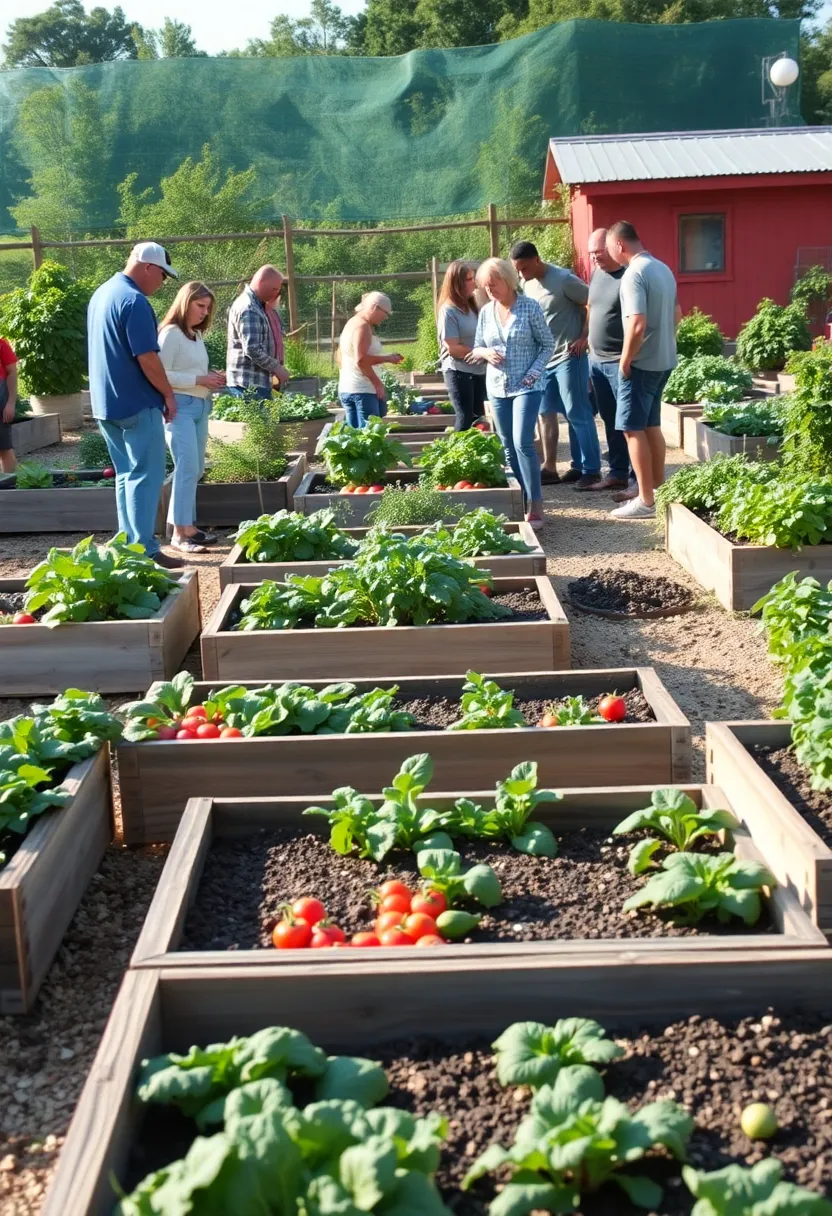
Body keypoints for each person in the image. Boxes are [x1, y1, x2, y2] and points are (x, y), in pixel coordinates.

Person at [87, 241, 183, 569]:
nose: (163, 282)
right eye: (163, 275)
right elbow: (147, 357)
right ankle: (146, 551)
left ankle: (129, 547)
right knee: (146, 475)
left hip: (106, 405)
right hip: (137, 403)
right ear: (147, 267)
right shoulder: (134, 301)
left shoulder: (102, 294)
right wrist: (168, 395)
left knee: (126, 475)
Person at [467, 258, 554, 531]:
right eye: (486, 287)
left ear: (508, 280)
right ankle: (521, 498)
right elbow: (478, 345)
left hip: (527, 385)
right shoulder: (486, 312)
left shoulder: (529, 307)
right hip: (497, 387)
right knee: (506, 444)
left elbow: (547, 345)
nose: (490, 291)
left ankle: (536, 504)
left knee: (522, 442)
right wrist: (484, 353)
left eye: (494, 285)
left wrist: (534, 372)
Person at [510, 240, 601, 490]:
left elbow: (593, 303)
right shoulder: (526, 284)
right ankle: (551, 468)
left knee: (576, 412)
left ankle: (591, 470)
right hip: (542, 361)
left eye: (525, 268)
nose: (521, 274)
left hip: (569, 356)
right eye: (517, 270)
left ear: (537, 260)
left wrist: (585, 336)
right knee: (545, 415)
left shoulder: (564, 279)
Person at [605, 221, 681, 521]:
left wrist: (625, 361)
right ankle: (657, 492)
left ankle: (646, 501)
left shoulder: (633, 274)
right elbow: (678, 313)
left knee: (631, 429)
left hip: (641, 364)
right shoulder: (662, 268)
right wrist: (663, 341)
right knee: (650, 426)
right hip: (663, 360)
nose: (611, 254)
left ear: (619, 245)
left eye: (610, 249)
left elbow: (636, 323)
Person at [158, 281, 226, 554]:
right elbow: (160, 374)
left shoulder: (195, 335)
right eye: (200, 306)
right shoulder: (171, 333)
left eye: (207, 307)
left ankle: (187, 527)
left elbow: (192, 371)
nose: (204, 312)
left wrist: (213, 379)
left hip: (199, 405)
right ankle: (179, 534)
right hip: (179, 407)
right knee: (187, 466)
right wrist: (200, 378)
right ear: (185, 302)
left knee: (195, 468)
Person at [585, 227, 632, 494]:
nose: (594, 257)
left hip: (619, 360)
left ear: (613, 247)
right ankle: (617, 472)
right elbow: (591, 309)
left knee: (629, 422)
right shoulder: (597, 274)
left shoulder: (628, 277)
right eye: (591, 253)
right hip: (597, 360)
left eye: (599, 252)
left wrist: (627, 358)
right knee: (609, 417)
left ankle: (638, 479)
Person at [337, 291, 403, 428]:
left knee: (355, 439)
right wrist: (377, 382)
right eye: (385, 313)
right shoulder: (363, 326)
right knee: (369, 436)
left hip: (348, 387)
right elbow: (361, 360)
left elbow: (344, 356)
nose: (385, 317)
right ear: (374, 307)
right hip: (363, 391)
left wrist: (388, 357)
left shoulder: (352, 322)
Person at [226, 265, 290, 400]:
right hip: (248, 385)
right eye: (274, 289)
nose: (275, 294)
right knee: (258, 422)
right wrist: (277, 368)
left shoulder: (257, 306)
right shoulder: (249, 308)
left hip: (255, 383)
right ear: (261, 282)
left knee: (264, 421)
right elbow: (252, 348)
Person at [436, 261, 486, 432]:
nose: (475, 282)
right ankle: (458, 456)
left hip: (479, 369)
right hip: (458, 371)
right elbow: (453, 347)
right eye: (469, 279)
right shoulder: (448, 310)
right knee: (465, 418)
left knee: (479, 417)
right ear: (457, 283)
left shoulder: (473, 304)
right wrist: (481, 353)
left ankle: (477, 456)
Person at [0, 335, 19, 474]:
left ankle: (10, 486)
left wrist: (11, 402)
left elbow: (12, 372)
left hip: (1, 400)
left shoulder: (1, 345)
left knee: (4, 447)